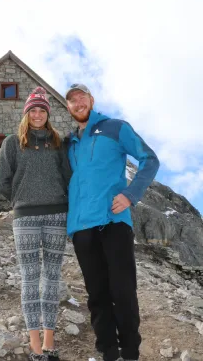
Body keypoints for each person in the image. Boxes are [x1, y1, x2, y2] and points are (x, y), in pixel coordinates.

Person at [64, 83, 160, 361]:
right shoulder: (70, 142)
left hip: (113, 222)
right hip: (82, 227)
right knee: (96, 294)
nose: (78, 103)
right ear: (68, 107)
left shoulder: (115, 128)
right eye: (72, 101)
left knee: (123, 290)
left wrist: (131, 195)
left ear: (91, 101)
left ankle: (130, 352)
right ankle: (107, 351)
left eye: (82, 98)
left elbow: (149, 159)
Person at [0, 86, 71, 361]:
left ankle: (50, 342)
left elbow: (67, 177)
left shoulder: (58, 142)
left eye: (42, 110)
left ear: (47, 114)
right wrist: (19, 200)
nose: (37, 114)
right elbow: (3, 181)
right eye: (33, 110)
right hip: (25, 216)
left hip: (56, 215)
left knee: (52, 276)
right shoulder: (12, 143)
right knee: (29, 277)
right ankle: (35, 345)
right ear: (26, 113)